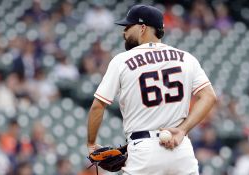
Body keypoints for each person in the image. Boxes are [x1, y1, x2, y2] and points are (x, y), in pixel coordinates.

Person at [87, 4, 217, 175]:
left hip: (144, 151)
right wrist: (183, 130)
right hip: (180, 149)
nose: (124, 32)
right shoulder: (186, 58)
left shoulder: (122, 61)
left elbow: (98, 106)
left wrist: (91, 144)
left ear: (142, 28)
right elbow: (209, 96)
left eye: (128, 26)